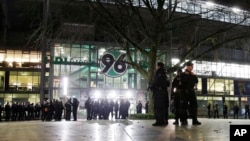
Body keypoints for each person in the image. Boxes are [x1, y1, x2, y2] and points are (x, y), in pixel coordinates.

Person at [149, 62, 170, 126]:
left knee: (158, 107)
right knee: (164, 107)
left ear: (158, 66)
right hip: (164, 92)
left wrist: (150, 86)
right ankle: (164, 120)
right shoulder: (166, 73)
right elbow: (168, 84)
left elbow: (155, 82)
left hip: (159, 93)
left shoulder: (159, 73)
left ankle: (159, 121)